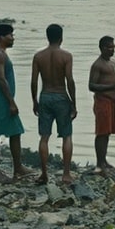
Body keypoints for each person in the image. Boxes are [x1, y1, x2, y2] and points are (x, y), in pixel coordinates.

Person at [30, 23, 77, 185]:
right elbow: (69, 80)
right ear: (61, 37)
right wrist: (74, 103)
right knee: (66, 136)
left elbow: (34, 81)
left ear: (47, 37)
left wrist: (34, 101)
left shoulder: (38, 56)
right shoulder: (66, 56)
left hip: (45, 96)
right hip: (61, 96)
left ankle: (44, 173)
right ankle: (66, 174)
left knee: (44, 137)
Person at [0, 23, 29, 182]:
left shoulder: (1, 53)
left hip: (2, 98)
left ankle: (18, 168)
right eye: (10, 35)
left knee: (15, 132)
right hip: (1, 99)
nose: (13, 38)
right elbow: (1, 79)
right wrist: (11, 102)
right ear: (1, 37)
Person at [88, 35, 115, 174]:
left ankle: (104, 161)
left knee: (107, 133)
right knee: (101, 132)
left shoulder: (112, 63)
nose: (112, 50)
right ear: (102, 48)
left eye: (113, 47)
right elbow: (92, 86)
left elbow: (112, 83)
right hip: (102, 101)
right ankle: (99, 164)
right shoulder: (97, 65)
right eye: (109, 47)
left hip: (112, 100)